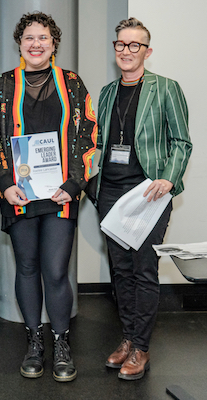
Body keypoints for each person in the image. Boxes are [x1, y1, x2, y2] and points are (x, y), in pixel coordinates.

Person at [0, 12, 97, 382]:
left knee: (56, 270)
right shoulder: (2, 85)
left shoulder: (73, 84)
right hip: (18, 193)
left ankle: (61, 343)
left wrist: (75, 185)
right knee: (27, 267)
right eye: (29, 37)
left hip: (61, 195)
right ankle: (34, 341)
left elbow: (89, 135)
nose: (35, 44)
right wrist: (2, 182)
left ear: (53, 43)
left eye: (43, 37)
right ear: (19, 43)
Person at [95, 18, 192, 380]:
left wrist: (169, 177)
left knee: (143, 271)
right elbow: (99, 143)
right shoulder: (106, 93)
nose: (126, 51)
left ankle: (142, 348)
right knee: (120, 272)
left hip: (149, 193)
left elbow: (182, 141)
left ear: (147, 51)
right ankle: (129, 338)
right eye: (120, 44)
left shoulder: (166, 88)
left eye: (134, 45)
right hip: (110, 193)